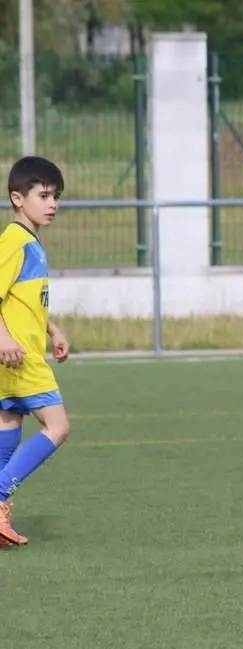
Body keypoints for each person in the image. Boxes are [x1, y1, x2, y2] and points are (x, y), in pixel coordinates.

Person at [0, 156, 73, 547]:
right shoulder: (15, 241)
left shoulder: (31, 242)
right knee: (58, 427)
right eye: (44, 195)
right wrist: (3, 337)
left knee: (8, 425)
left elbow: (23, 300)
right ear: (18, 198)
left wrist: (52, 327)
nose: (52, 204)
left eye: (55, 196)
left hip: (12, 356)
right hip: (20, 356)